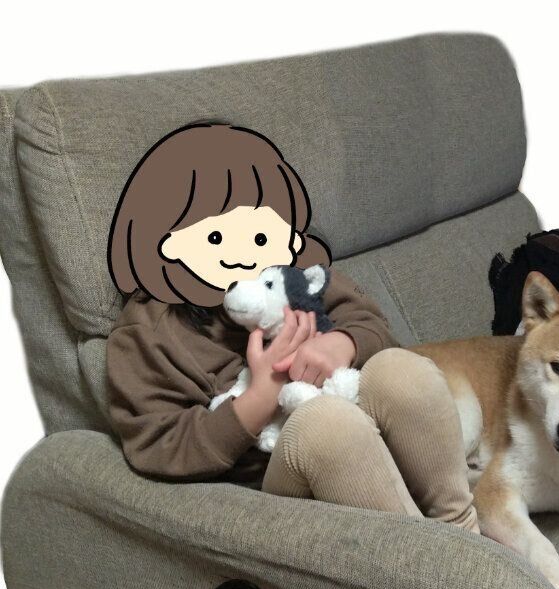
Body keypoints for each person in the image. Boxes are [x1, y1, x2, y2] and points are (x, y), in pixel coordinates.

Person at [105, 122, 478, 532]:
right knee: (325, 424)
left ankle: (459, 522)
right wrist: (261, 394)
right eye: (215, 238)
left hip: (368, 435)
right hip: (273, 477)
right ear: (165, 243)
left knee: (402, 370)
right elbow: (158, 444)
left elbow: (372, 324)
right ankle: (429, 556)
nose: (243, 254)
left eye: (259, 238)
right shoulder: (150, 331)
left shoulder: (299, 276)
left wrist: (342, 344)